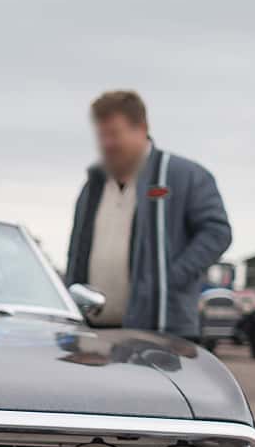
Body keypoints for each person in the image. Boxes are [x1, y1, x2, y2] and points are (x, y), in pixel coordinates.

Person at [63, 90, 233, 335]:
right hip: (93, 334)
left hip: (162, 331)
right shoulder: (94, 185)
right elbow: (75, 252)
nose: (106, 144)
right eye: (101, 135)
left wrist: (169, 279)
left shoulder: (182, 177)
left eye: (114, 134)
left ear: (141, 128)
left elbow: (217, 233)